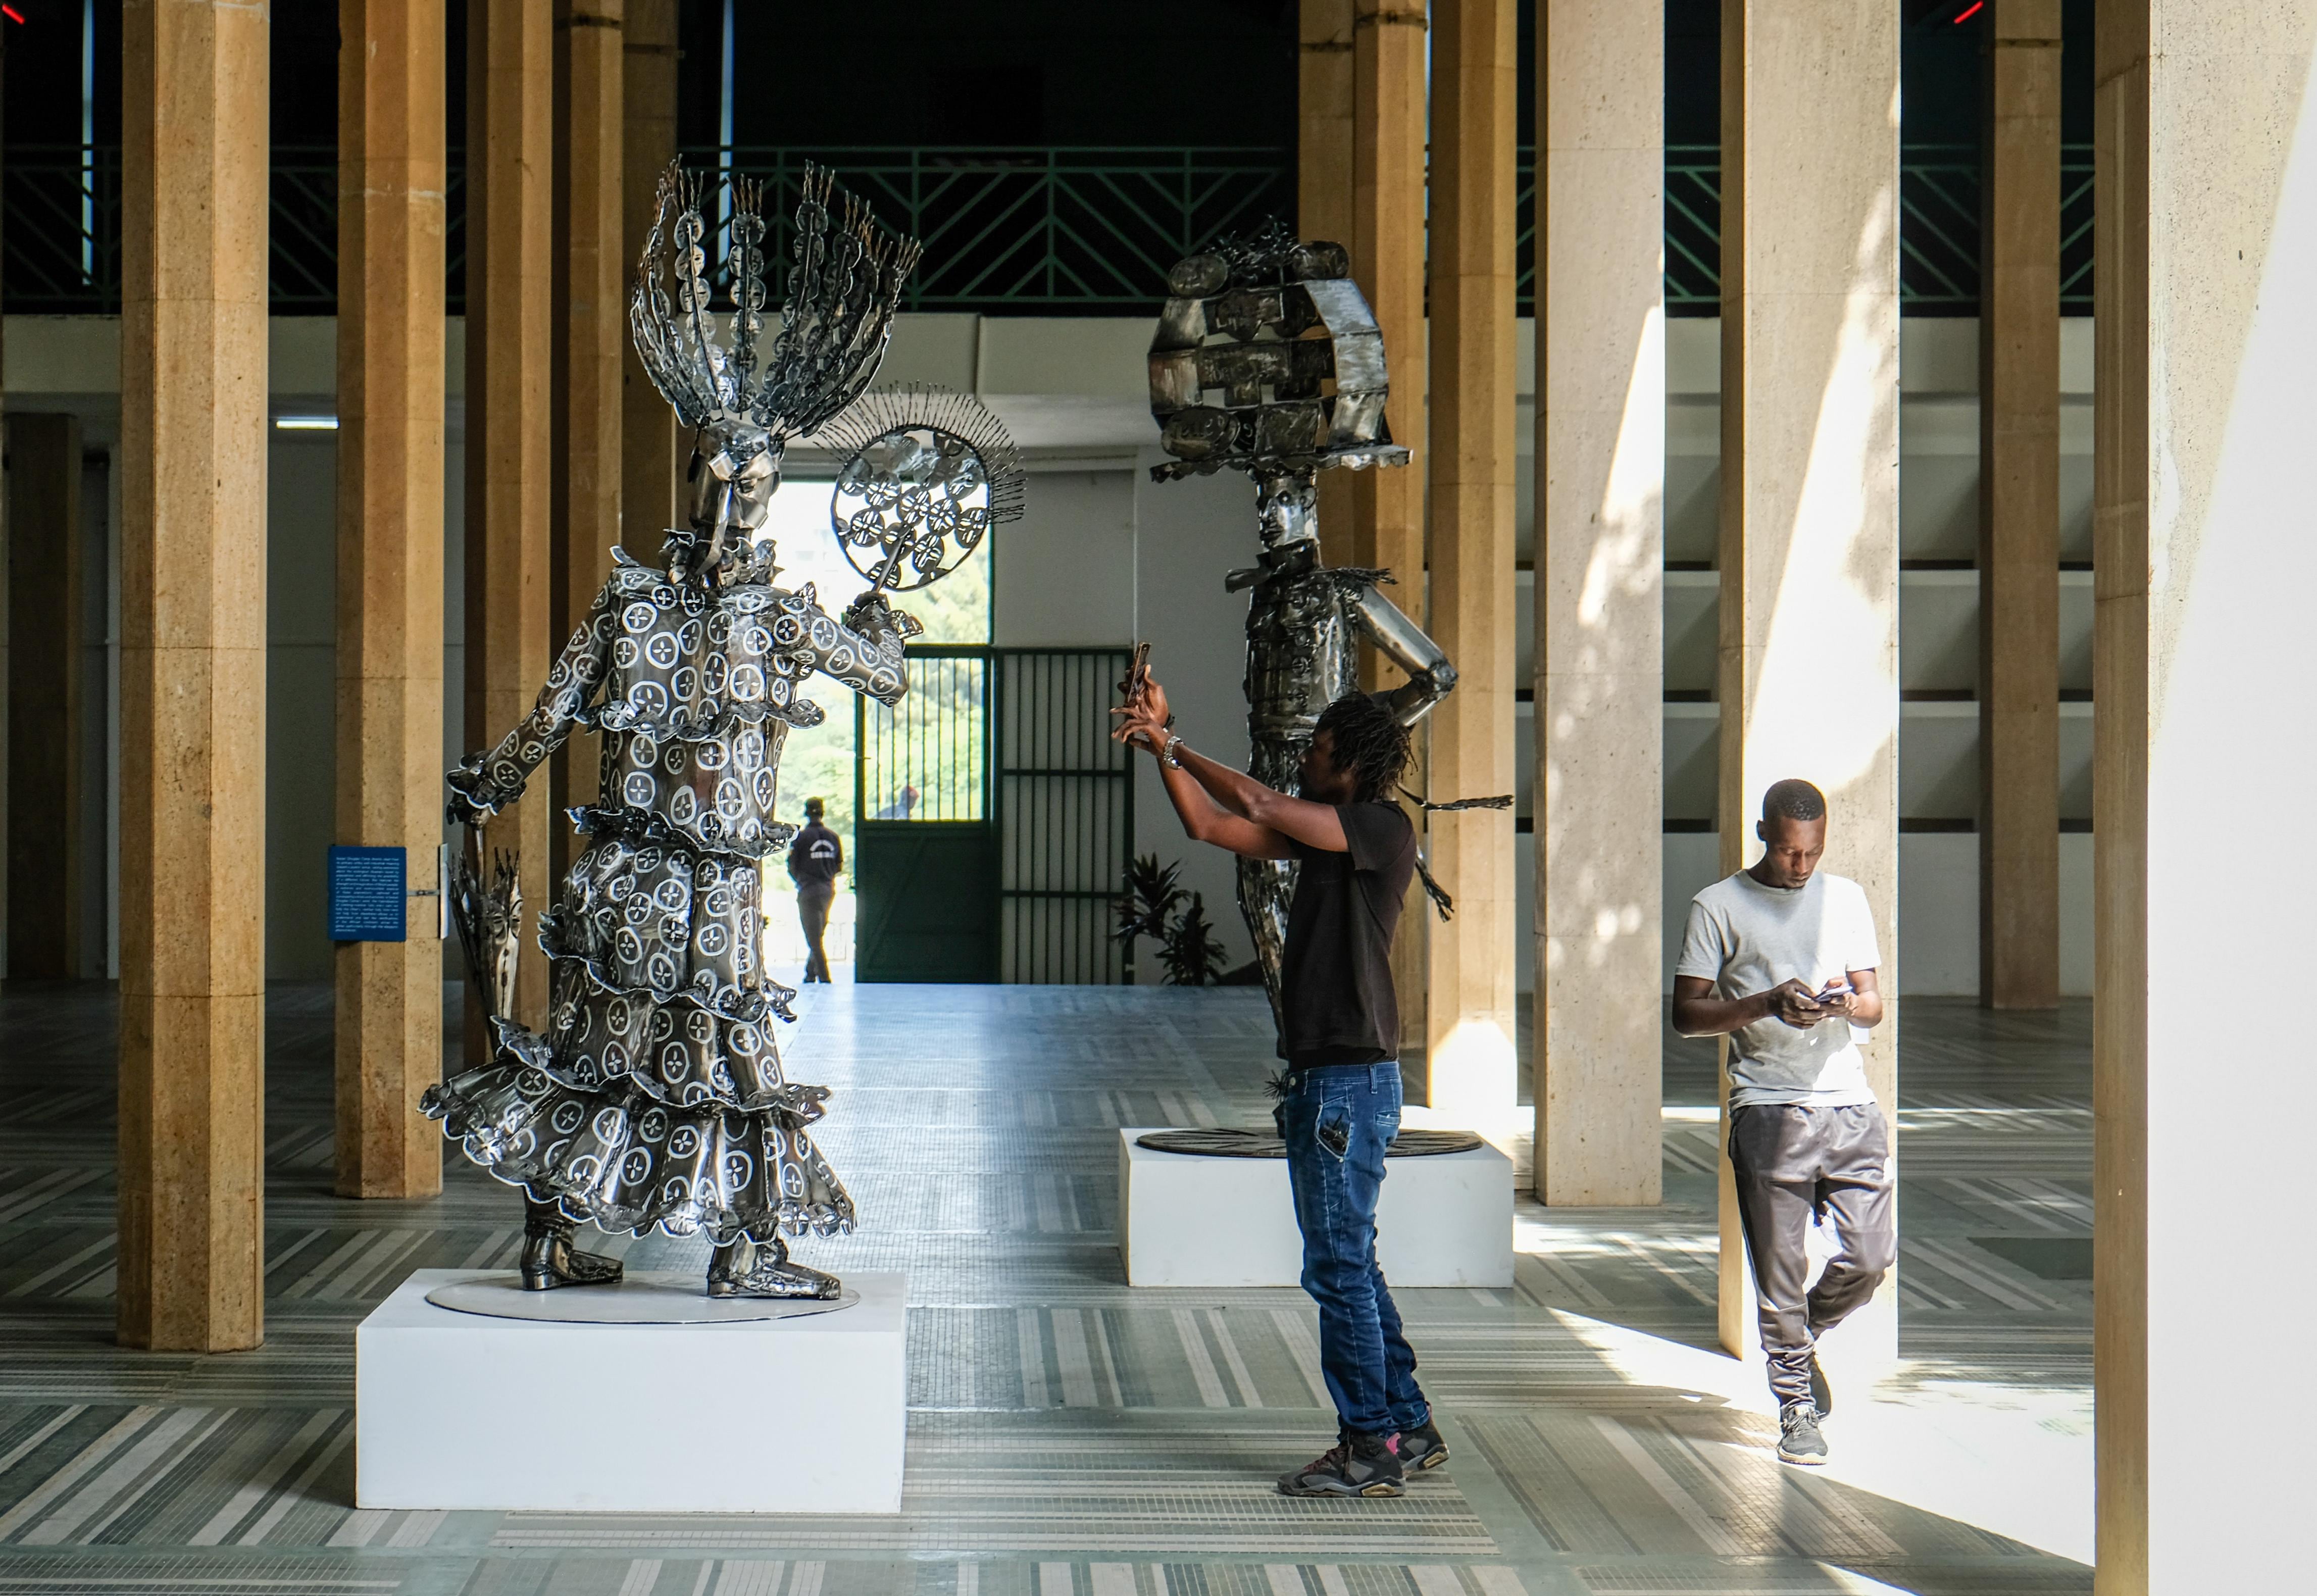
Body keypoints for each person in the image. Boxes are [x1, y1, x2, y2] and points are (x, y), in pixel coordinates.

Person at [1114, 664, 1445, 1500]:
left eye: (1321, 752)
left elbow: (1257, 804)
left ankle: (1369, 1446)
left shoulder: (1380, 829)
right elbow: (1210, 827)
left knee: (1336, 1266)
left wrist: (1173, 738)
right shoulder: (1327, 834)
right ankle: (1406, 1420)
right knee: (1350, 1262)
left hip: (1347, 1083)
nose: (1306, 761)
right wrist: (1165, 746)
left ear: (1355, 766)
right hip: (1325, 1080)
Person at [1670, 778, 1892, 1467]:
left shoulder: (1847, 897)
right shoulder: (1719, 906)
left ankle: (1801, 1336)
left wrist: (1847, 1007)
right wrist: (1766, 1003)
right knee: (1781, 1269)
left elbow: (1874, 1001)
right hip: (1767, 1106)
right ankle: (1795, 1404)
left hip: (1848, 1102)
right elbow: (1686, 1015)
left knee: (1870, 1257)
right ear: (1764, 834)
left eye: (1815, 852)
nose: (1802, 865)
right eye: (1792, 851)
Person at [788, 797, 843, 983]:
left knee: (813, 937)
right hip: (828, 891)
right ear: (823, 813)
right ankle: (810, 973)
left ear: (806, 813)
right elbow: (839, 865)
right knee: (818, 933)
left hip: (808, 891)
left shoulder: (801, 838)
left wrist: (802, 881)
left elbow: (792, 866)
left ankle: (824, 977)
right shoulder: (833, 837)